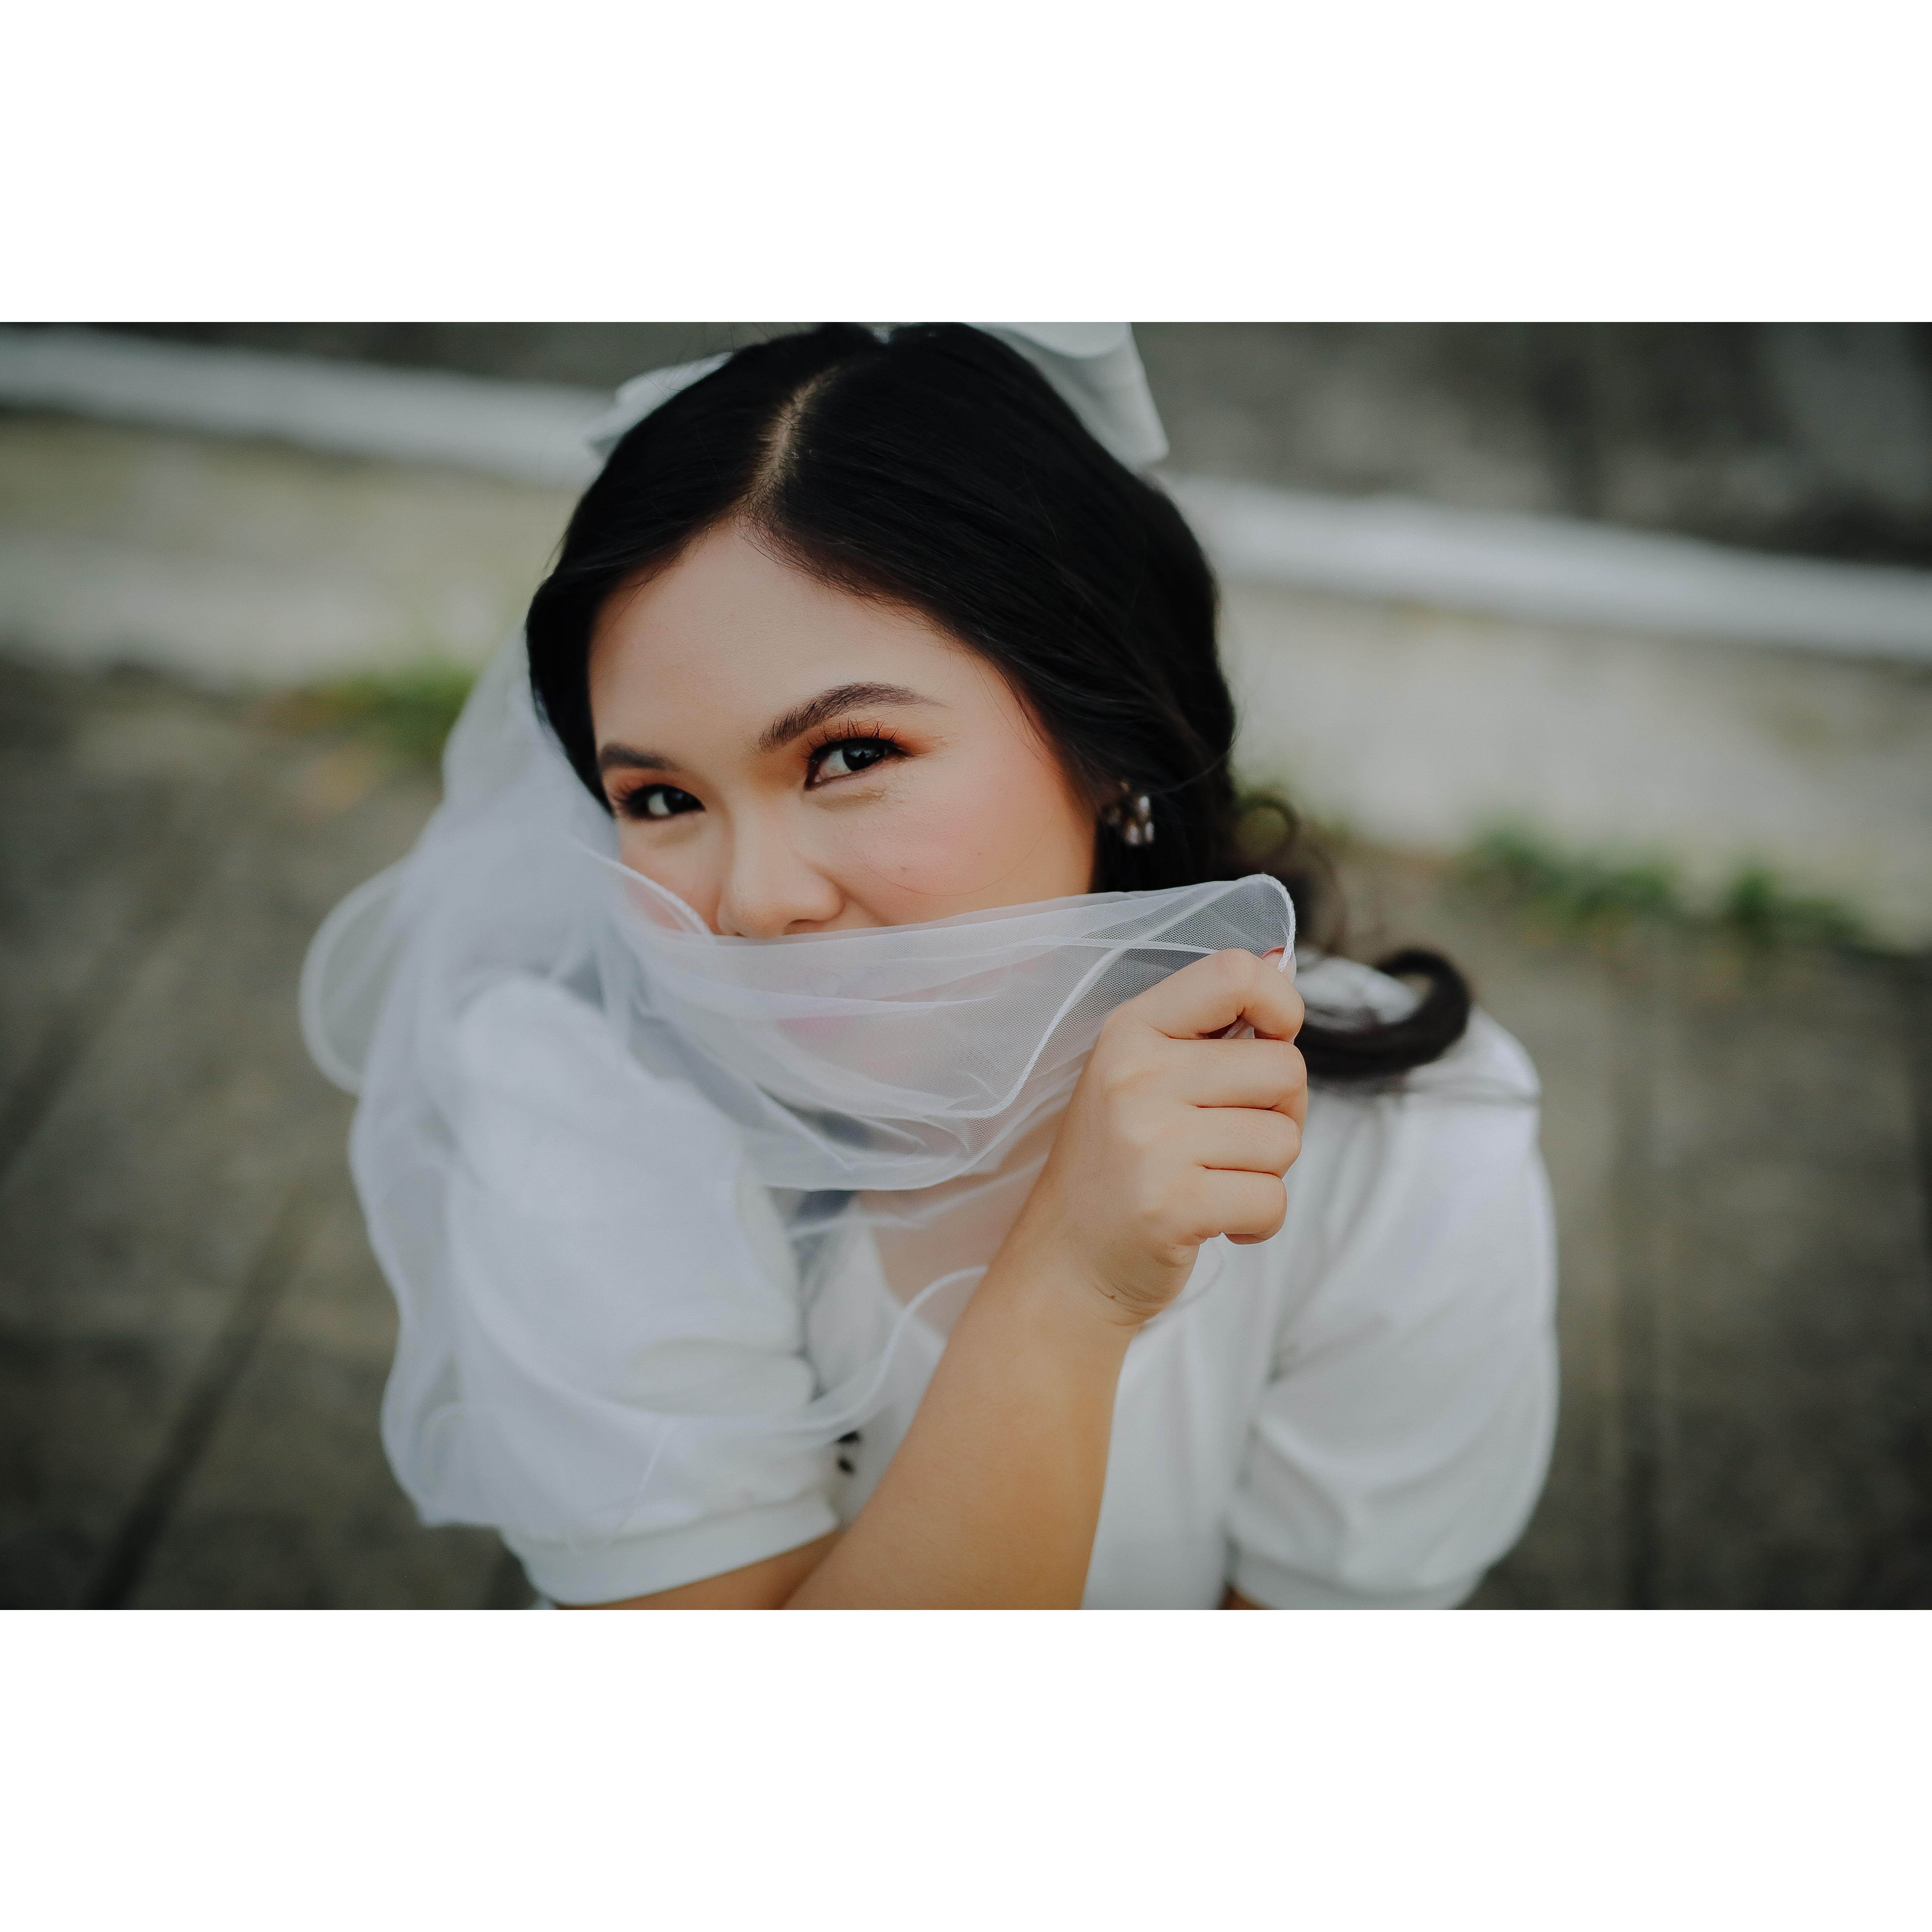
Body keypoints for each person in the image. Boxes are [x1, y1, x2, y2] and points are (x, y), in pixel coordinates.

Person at [302, 323, 1557, 1610]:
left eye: (850, 757)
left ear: (1107, 733)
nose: (757, 904)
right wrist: (1066, 1291)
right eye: (662, 798)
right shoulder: (584, 1103)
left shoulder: (1410, 1153)